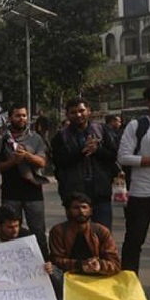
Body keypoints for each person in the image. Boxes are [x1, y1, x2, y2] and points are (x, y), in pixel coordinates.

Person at [118, 83, 150, 300]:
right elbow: (123, 157)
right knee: (133, 242)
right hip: (142, 193)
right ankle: (128, 290)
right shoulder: (137, 126)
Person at [0, 104, 50, 259]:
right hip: (11, 192)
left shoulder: (36, 138)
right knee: (9, 232)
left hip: (33, 191)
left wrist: (27, 156)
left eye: (24, 115)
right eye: (18, 115)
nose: (21, 118)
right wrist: (13, 160)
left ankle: (44, 265)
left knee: (38, 232)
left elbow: (42, 162)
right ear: (10, 118)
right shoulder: (2, 139)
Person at [50, 98, 118, 229]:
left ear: (89, 111)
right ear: (67, 115)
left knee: (102, 232)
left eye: (81, 111)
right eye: (73, 112)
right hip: (74, 193)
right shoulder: (60, 136)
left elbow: (113, 156)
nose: (78, 115)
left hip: (100, 192)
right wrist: (82, 152)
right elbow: (59, 162)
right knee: (76, 234)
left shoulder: (102, 130)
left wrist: (97, 150)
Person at [48, 192, 121, 300]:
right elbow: (56, 261)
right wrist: (80, 265)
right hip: (68, 276)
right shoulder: (58, 231)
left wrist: (99, 266)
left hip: (97, 276)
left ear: (90, 210)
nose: (81, 211)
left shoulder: (101, 231)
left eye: (84, 207)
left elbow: (115, 264)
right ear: (68, 211)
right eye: (76, 208)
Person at [0, 205, 54, 289]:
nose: (15, 230)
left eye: (17, 226)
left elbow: (40, 259)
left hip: (23, 282)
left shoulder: (26, 236)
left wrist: (47, 266)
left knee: (55, 275)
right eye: (10, 227)